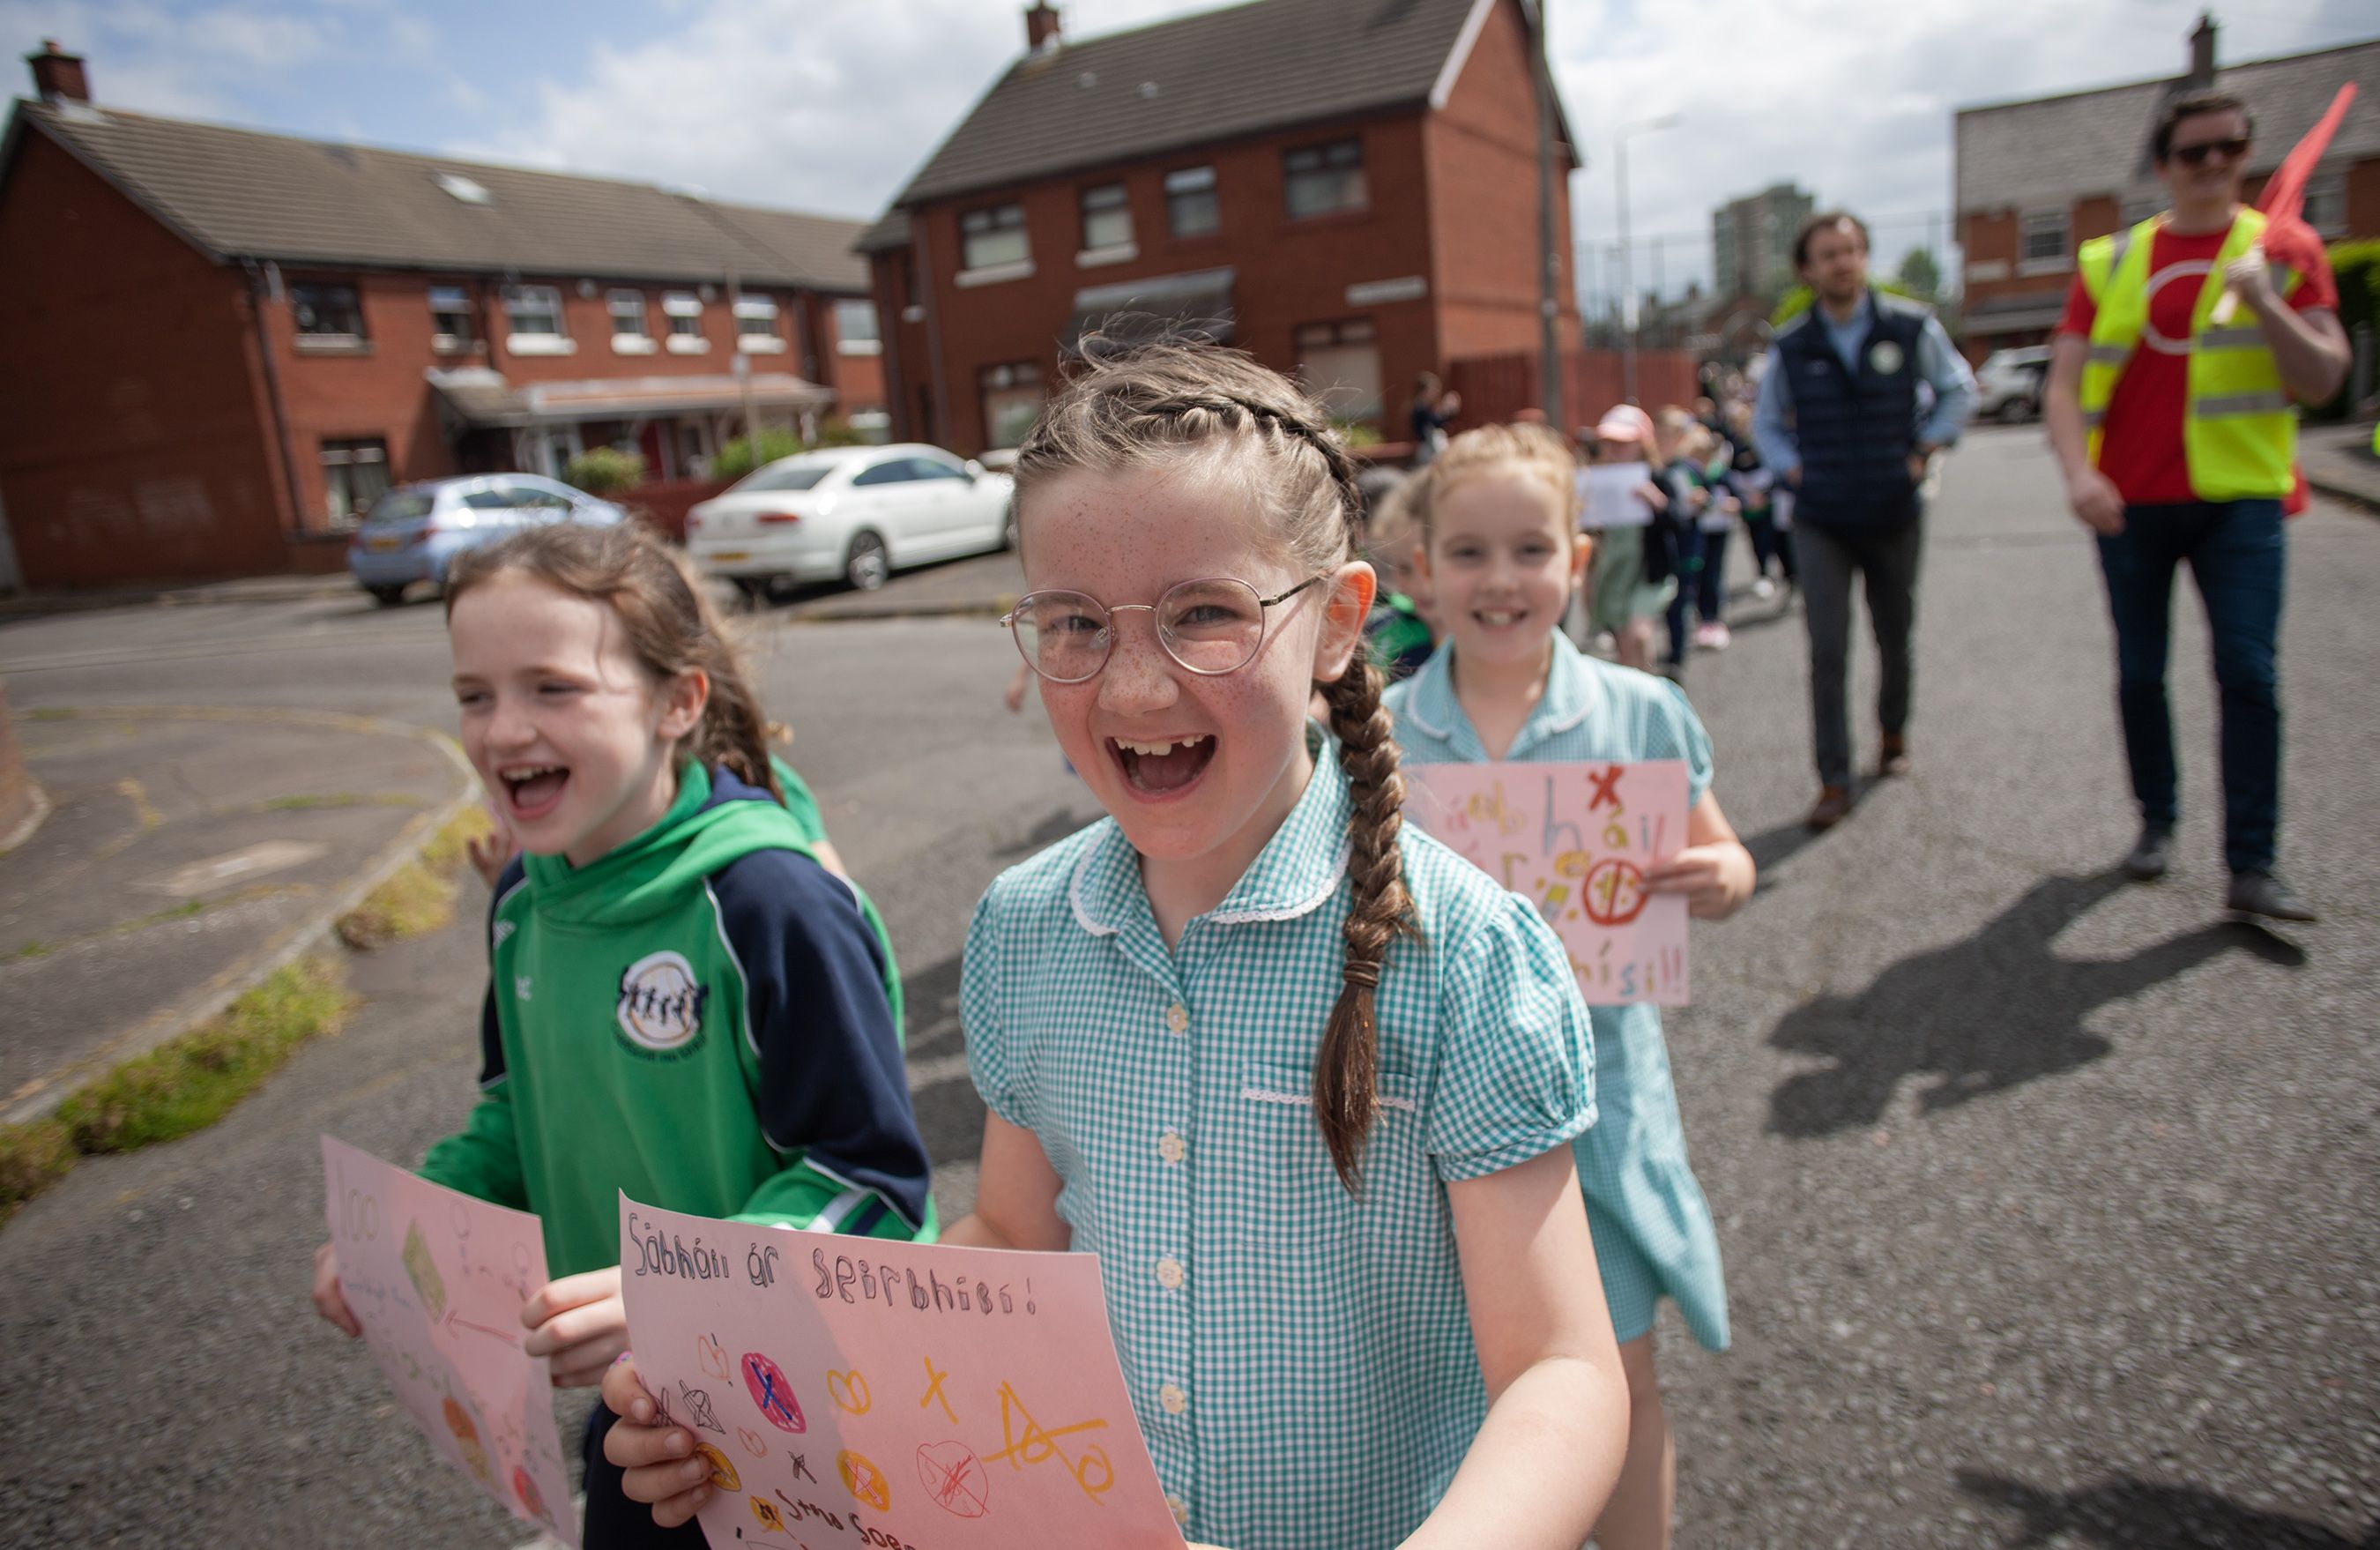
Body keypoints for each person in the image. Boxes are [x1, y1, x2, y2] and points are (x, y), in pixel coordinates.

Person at [599, 343, 1631, 1549]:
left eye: (1205, 613)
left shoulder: (1464, 956)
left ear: (1339, 623)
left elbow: (1561, 1368)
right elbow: (1011, 1235)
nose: (1137, 687)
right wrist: (767, 1394)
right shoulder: (1025, 927)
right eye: (1075, 623)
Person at [309, 522, 935, 1550]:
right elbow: (517, 1115)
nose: (505, 730)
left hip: (817, 1410)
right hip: (647, 1405)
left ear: (677, 703)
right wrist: (399, 1233)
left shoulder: (771, 905)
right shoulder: (521, 900)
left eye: (553, 688)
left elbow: (866, 1181)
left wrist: (678, 1299)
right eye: (476, 694)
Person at [1387, 423, 1753, 1550]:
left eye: (1531, 550)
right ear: (1421, 572)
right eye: (1469, 553)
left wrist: (1718, 876)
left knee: (1619, 1379)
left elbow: (1727, 857)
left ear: (1578, 562)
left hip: (1599, 1107)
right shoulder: (1387, 735)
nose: (1501, 580)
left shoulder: (1641, 713)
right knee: (1471, 1395)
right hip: (1432, 1119)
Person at [2044, 92, 2346, 922]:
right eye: (2194, 152)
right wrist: (2079, 473)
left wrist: (2265, 301)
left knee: (2248, 672)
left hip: (2240, 498)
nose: (2213, 164)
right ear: (2165, 164)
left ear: (2247, 153)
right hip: (2130, 501)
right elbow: (2063, 385)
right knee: (2142, 672)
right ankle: (2157, 820)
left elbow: (2325, 380)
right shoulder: (2111, 261)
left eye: (2230, 147)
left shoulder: (2287, 249)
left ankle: (2252, 862)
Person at [1753, 210, 1976, 831]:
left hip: (1892, 510)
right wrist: (1790, 470)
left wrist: (1924, 448)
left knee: (1894, 632)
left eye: (1850, 250)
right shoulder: (1792, 345)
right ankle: (1832, 777)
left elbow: (1960, 389)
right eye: (1827, 254)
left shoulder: (1910, 327)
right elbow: (1766, 422)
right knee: (1827, 648)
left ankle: (1893, 732)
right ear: (1808, 268)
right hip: (1820, 516)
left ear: (1865, 258)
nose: (1841, 262)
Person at [1578, 404, 1675, 672]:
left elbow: (1679, 521)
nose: (1614, 450)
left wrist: (1658, 503)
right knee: (1624, 640)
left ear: (1642, 443)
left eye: (1623, 443)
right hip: (1615, 569)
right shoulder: (1598, 480)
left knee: (1638, 633)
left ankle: (1645, 686)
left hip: (1647, 571)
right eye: (1610, 443)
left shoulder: (1657, 477)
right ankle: (1637, 686)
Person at [1409, 369, 1461, 466]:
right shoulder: (1419, 408)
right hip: (1428, 450)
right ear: (1424, 390)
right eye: (1434, 388)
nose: (1436, 392)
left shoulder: (1426, 407)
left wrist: (1449, 413)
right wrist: (1446, 410)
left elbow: (1439, 423)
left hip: (1430, 448)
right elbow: (1433, 423)